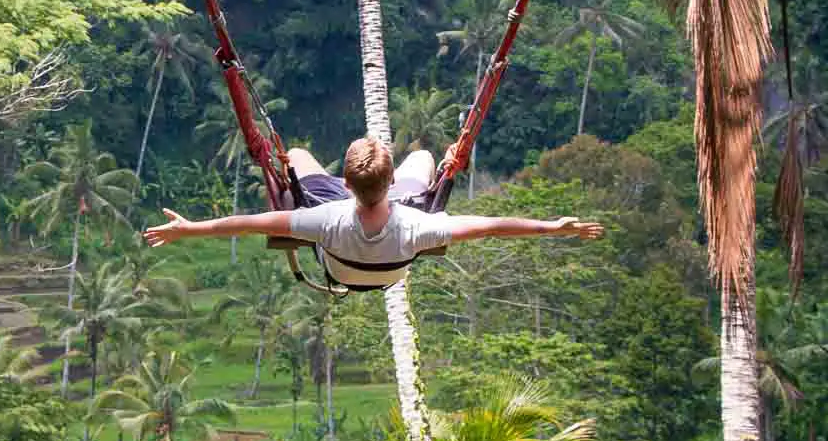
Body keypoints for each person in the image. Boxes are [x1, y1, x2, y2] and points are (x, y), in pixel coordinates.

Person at [144, 136, 604, 290]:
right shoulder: (417, 224)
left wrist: (189, 230)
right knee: (424, 157)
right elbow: (491, 228)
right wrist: (552, 227)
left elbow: (246, 222)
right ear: (392, 187)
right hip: (392, 271)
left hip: (341, 267)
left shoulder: (325, 219)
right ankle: (419, 165)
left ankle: (308, 168)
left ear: (346, 184)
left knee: (299, 155)